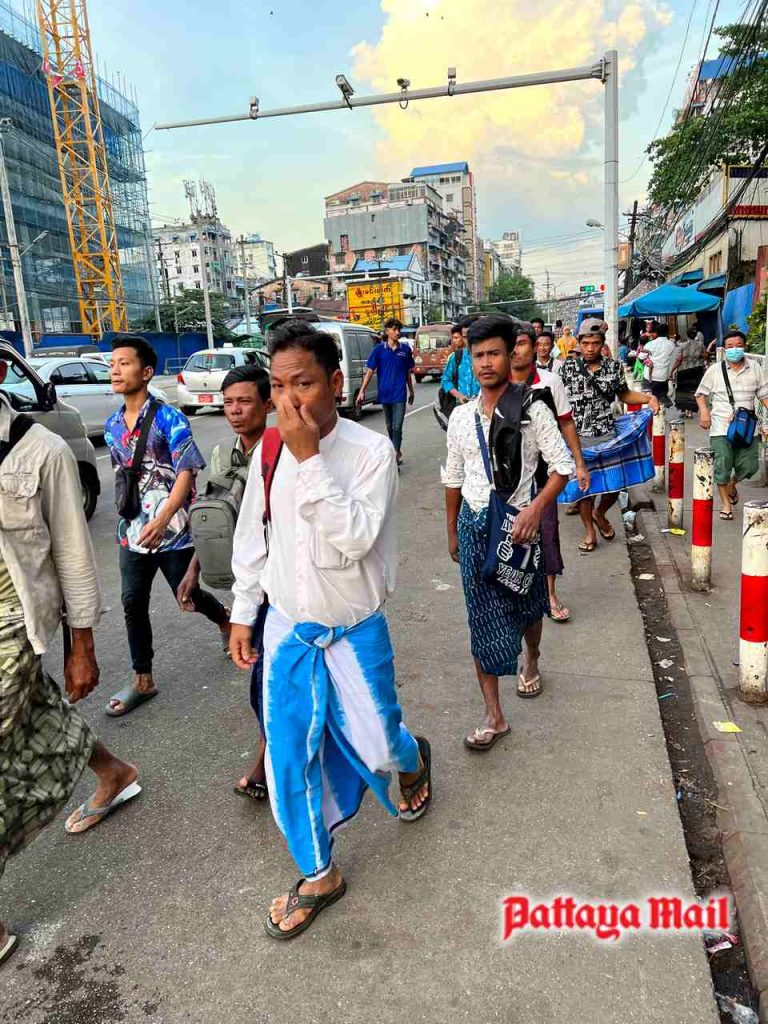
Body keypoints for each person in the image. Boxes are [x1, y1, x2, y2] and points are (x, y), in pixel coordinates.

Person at [229, 321, 430, 939]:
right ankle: (319, 873)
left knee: (380, 745)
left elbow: (355, 540)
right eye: (278, 386)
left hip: (355, 633)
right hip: (288, 631)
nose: (287, 400)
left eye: (303, 384)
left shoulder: (370, 454)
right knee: (288, 758)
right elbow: (254, 535)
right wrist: (243, 611)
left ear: (336, 383)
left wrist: (309, 459)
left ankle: (412, 759)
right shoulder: (268, 451)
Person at [0, 387, 140, 965]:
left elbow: (74, 553)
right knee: (39, 712)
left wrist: (82, 645)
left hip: (13, 621)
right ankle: (114, 772)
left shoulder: (43, 450)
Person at [443, 315, 575, 748]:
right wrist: (452, 532)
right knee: (480, 620)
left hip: (519, 530)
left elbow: (562, 467)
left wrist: (536, 509)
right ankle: (494, 715)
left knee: (529, 607)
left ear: (511, 353)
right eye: (478, 355)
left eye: (494, 353)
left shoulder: (533, 409)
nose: (486, 362)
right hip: (474, 526)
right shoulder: (461, 417)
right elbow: (453, 478)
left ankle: (531, 656)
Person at [105, 334, 230, 716]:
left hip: (173, 531)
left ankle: (224, 618)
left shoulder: (169, 418)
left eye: (124, 363)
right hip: (132, 532)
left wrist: (161, 520)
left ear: (146, 372)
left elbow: (186, 472)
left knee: (187, 595)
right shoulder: (112, 425)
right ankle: (143, 678)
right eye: (112, 363)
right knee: (132, 603)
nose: (115, 370)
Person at [176, 363, 273, 800]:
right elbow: (213, 519)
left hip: (281, 584)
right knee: (264, 676)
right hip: (246, 584)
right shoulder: (221, 455)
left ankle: (266, 760)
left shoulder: (282, 452)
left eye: (244, 401)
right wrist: (193, 571)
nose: (234, 410)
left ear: (267, 405)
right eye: (228, 402)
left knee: (267, 679)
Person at [559, 319, 660, 554]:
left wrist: (649, 399)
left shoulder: (613, 367)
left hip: (607, 434)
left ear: (602, 343)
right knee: (585, 489)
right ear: (579, 343)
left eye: (595, 343)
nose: (590, 348)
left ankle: (600, 513)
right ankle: (589, 532)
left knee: (615, 483)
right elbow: (556, 400)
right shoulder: (567, 369)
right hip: (577, 437)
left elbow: (624, 395)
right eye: (585, 343)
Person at [511, 327, 590, 623]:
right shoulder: (498, 383)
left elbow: (566, 423)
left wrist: (579, 463)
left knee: (546, 532)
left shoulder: (549, 382)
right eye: (512, 345)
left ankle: (549, 593)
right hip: (508, 477)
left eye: (522, 344)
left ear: (534, 348)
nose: (516, 350)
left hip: (544, 475)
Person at [695, 330, 768, 520]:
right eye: (730, 346)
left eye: (738, 345)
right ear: (724, 349)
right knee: (722, 465)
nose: (734, 349)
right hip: (721, 426)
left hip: (747, 428)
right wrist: (704, 412)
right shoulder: (715, 370)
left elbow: (764, 395)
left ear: (745, 346)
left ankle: (732, 484)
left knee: (750, 466)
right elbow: (700, 394)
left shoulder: (755, 368)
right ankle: (726, 504)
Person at [357, 317, 415, 466]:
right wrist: (362, 391)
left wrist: (411, 391)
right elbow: (370, 371)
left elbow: (407, 372)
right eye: (394, 329)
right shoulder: (379, 350)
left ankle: (394, 455)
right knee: (389, 427)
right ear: (387, 331)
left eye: (399, 329)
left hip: (400, 394)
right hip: (385, 394)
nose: (397, 332)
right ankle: (395, 450)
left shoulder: (405, 350)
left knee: (397, 426)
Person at [638, 321, 679, 407]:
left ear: (656, 333)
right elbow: (675, 359)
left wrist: (648, 361)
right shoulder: (671, 345)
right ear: (667, 333)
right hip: (663, 378)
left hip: (649, 378)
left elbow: (641, 357)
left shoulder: (650, 344)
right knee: (660, 403)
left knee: (648, 401)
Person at [441, 321, 480, 405]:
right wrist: (459, 395)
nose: (468, 340)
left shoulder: (489, 357)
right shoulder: (456, 356)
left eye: (471, 336)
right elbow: (445, 380)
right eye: (465, 337)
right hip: (462, 407)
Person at [674, 326, 707, 417]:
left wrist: (672, 370)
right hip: (696, 370)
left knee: (683, 390)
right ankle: (690, 412)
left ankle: (685, 410)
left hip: (683, 370)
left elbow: (678, 360)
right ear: (696, 335)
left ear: (687, 335)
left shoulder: (682, 346)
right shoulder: (701, 345)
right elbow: (705, 356)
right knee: (693, 390)